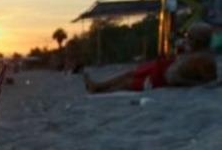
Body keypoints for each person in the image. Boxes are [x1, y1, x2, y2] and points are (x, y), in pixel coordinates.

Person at [85, 22, 217, 93]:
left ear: (198, 40)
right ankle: (99, 86)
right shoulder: (195, 52)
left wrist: (182, 84)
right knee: (131, 73)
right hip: (164, 69)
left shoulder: (204, 60)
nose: (187, 40)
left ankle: (99, 91)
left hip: (162, 79)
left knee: (128, 83)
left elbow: (209, 82)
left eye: (190, 38)